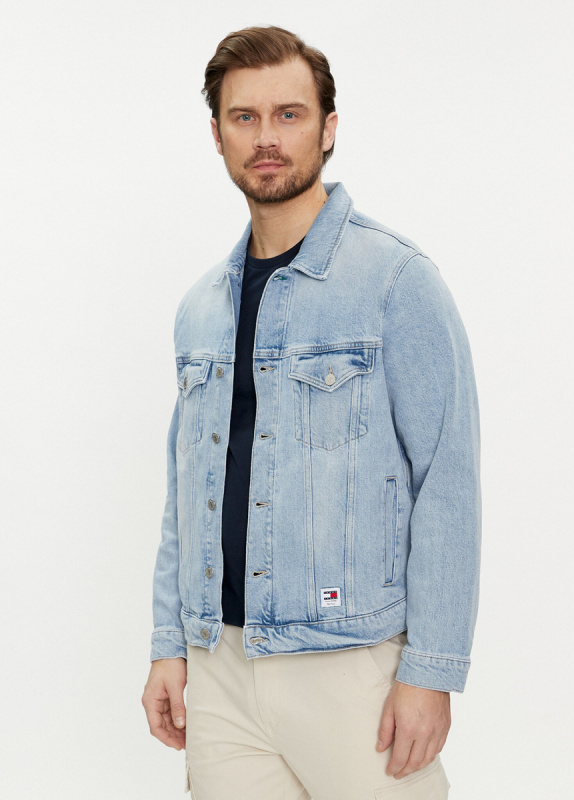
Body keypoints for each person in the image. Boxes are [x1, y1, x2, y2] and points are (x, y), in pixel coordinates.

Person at [141, 24, 481, 800]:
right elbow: (185, 494)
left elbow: (448, 483)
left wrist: (431, 669)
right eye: (245, 117)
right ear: (219, 134)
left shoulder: (396, 281)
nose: (267, 138)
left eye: (288, 114)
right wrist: (169, 644)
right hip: (221, 668)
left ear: (328, 129)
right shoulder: (201, 307)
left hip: (351, 667)